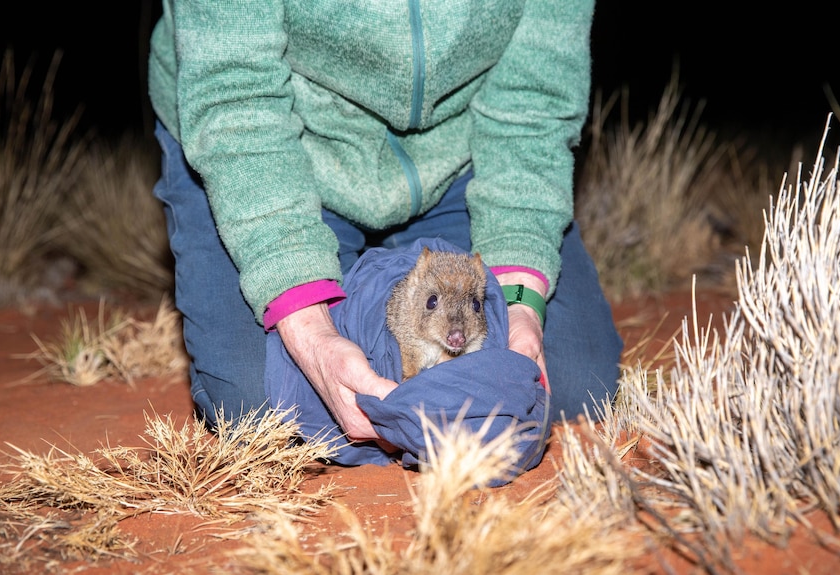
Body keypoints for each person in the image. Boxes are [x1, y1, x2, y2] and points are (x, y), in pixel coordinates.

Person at [147, 0, 623, 448]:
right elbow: (235, 91)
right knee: (263, 404)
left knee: (572, 384)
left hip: (462, 152)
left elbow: (534, 102)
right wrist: (310, 329)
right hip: (273, 153)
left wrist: (520, 299)